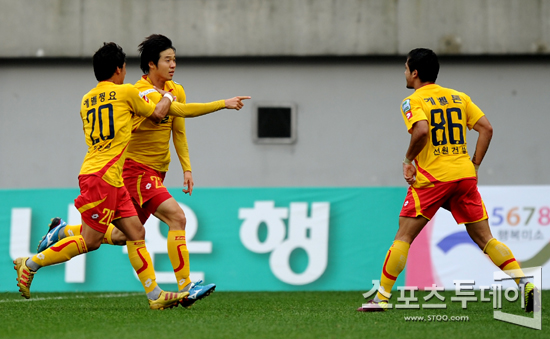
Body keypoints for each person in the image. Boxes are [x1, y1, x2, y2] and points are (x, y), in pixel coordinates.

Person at [36, 34, 251, 308]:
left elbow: (179, 131)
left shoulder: (175, 89)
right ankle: (186, 285)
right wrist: (223, 103)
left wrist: (187, 168)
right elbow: (180, 111)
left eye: (174, 59)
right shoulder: (138, 91)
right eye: (167, 60)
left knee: (124, 234)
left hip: (155, 172)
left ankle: (62, 233)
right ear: (151, 64)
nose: (173, 64)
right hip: (136, 171)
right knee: (177, 217)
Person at [357, 48, 536, 312]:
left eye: (406, 68)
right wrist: (474, 164)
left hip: (433, 178)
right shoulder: (459, 97)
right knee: (485, 238)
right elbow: (486, 128)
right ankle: (524, 282)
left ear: (415, 73)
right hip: (463, 176)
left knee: (404, 236)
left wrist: (408, 161)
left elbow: (421, 130)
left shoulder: (413, 101)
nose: (404, 73)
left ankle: (381, 298)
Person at [14, 42, 189, 310]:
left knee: (134, 231)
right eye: (125, 68)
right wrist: (167, 96)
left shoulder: (86, 100)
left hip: (106, 174)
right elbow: (157, 115)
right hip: (102, 176)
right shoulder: (126, 92)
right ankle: (31, 263)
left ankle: (155, 295)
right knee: (90, 240)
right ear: (119, 69)